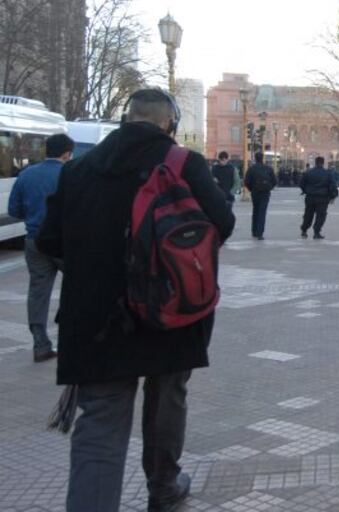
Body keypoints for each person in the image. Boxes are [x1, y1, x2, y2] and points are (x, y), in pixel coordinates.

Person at [36, 88, 235, 512]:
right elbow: (224, 223)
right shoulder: (184, 164)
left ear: (127, 119)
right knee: (167, 399)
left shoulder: (81, 168)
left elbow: (49, 239)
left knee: (101, 423)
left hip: (96, 319)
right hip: (171, 308)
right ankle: (163, 487)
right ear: (169, 123)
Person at [7, 132, 74, 362]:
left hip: (34, 241)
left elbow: (14, 210)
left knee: (38, 291)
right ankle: (70, 335)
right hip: (65, 242)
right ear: (67, 153)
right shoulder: (71, 173)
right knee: (77, 285)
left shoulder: (26, 175)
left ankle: (40, 344)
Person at [299, 156, 338, 239]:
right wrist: (332, 196)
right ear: (323, 163)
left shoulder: (309, 172)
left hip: (310, 197)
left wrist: (305, 191)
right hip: (323, 198)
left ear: (315, 163)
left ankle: (304, 230)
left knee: (308, 214)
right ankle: (316, 232)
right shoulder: (327, 173)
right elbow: (333, 185)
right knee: (321, 215)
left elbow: (301, 183)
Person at [243, 152, 276, 240]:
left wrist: (251, 189)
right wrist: (269, 188)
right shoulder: (268, 169)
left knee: (255, 211)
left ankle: (254, 231)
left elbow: (246, 182)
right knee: (262, 212)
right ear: (263, 158)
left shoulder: (251, 169)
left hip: (255, 192)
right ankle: (260, 233)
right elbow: (274, 181)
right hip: (265, 192)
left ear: (255, 158)